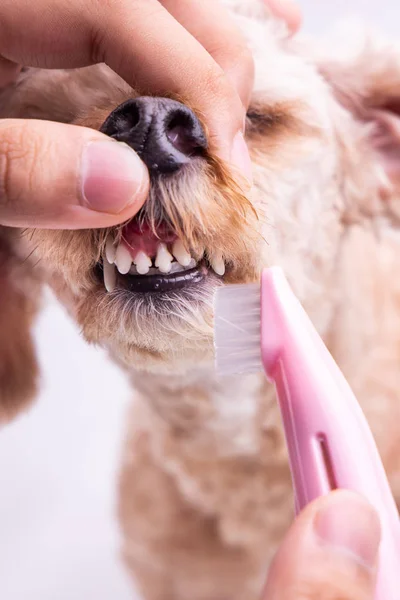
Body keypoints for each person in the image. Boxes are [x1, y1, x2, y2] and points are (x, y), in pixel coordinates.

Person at [0, 2, 381, 597]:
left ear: (380, 154)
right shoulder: (157, 536)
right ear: (16, 258)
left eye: (257, 121)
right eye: (66, 129)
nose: (149, 135)